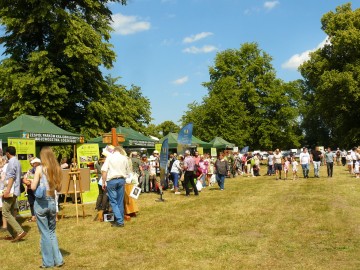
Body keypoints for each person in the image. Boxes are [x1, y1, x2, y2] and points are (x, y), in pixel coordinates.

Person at [31, 146, 64, 268]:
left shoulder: (39, 168)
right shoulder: (57, 169)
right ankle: (58, 260)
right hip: (52, 202)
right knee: (51, 232)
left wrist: (30, 183)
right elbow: (59, 189)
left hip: (41, 203)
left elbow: (34, 187)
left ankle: (48, 262)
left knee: (44, 233)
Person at [1, 146, 27, 242]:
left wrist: (7, 190)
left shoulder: (12, 162)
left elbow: (11, 177)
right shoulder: (17, 161)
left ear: (8, 153)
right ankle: (13, 234)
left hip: (11, 191)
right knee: (11, 211)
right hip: (14, 190)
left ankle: (20, 231)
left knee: (5, 212)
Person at [101, 146, 130, 227]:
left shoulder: (109, 157)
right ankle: (120, 220)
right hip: (121, 180)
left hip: (112, 181)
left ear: (113, 151)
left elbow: (104, 171)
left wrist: (103, 182)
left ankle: (120, 221)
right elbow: (128, 171)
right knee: (120, 201)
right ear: (120, 151)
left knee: (114, 202)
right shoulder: (124, 158)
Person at [23, 157, 42, 222]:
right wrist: (25, 181)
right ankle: (33, 216)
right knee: (31, 202)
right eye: (30, 162)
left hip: (37, 189)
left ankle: (39, 216)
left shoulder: (40, 170)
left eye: (32, 162)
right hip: (29, 189)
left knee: (38, 202)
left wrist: (32, 181)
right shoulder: (30, 170)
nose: (31, 163)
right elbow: (25, 178)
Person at [94, 155, 108, 222]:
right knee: (105, 194)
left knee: (100, 194)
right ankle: (103, 207)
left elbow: (95, 172)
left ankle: (97, 206)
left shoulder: (96, 163)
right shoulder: (105, 163)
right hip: (103, 179)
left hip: (99, 179)